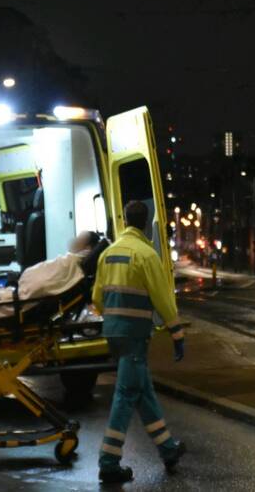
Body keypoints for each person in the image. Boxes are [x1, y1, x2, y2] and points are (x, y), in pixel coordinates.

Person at [92, 201, 186, 483]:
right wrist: (177, 333)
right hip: (135, 335)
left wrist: (113, 315)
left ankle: (168, 449)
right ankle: (108, 462)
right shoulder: (146, 254)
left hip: (114, 333)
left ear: (125, 221)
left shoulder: (108, 254)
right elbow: (162, 298)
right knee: (125, 395)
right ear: (145, 223)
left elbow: (97, 297)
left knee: (141, 390)